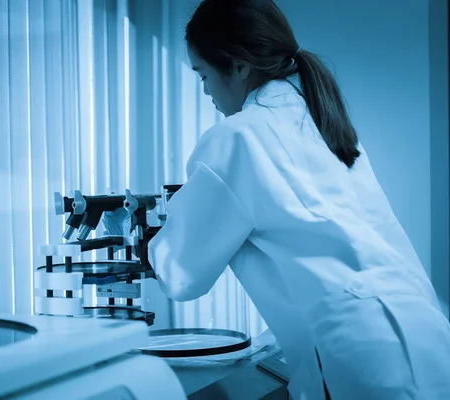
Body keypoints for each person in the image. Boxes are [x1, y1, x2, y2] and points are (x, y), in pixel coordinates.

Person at [103, 0, 450, 399]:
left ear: (237, 64)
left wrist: (143, 238)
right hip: (427, 335)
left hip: (368, 364)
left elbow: (181, 275)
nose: (205, 90)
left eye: (202, 74)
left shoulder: (238, 137)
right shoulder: (323, 125)